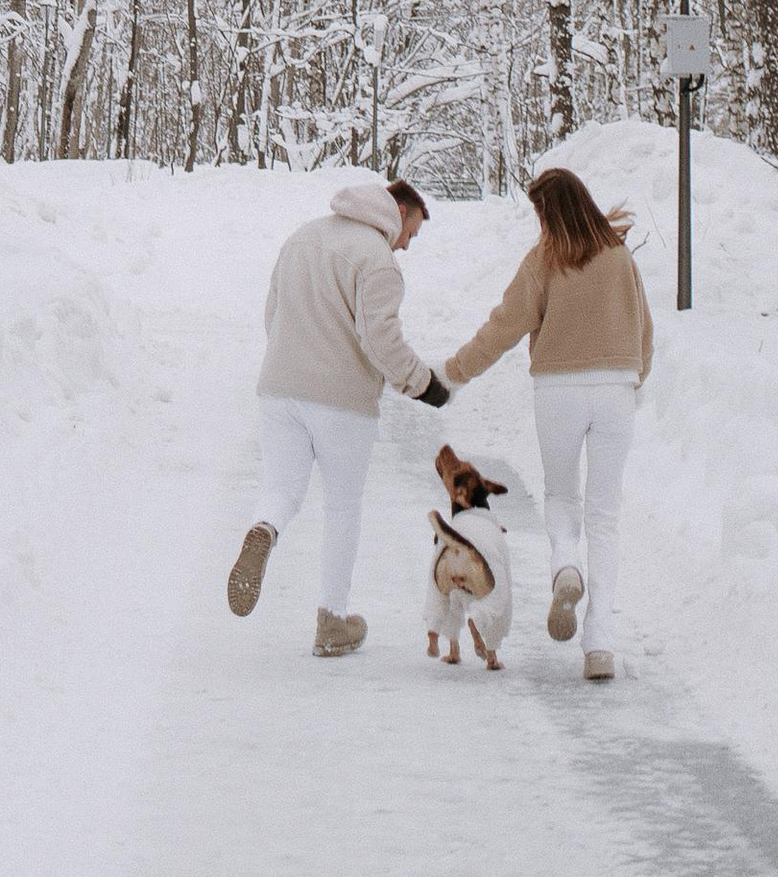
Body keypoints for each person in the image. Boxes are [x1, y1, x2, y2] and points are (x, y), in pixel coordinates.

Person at [441, 165, 653, 681]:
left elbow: (503, 327)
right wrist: (633, 376)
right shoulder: (620, 257)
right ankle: (599, 642)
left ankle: (565, 566)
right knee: (605, 514)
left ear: (548, 213)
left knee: (561, 496)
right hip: (615, 391)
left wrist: (455, 372)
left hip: (558, 391)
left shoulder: (544, 261)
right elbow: (645, 331)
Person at [226, 174, 450, 657]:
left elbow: (273, 315)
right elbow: (380, 340)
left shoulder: (302, 238)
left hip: (279, 390)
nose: (406, 245)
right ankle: (331, 621)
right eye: (411, 232)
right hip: (342, 403)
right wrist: (422, 384)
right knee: (342, 507)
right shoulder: (378, 261)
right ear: (400, 212)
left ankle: (263, 529)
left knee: (281, 490)